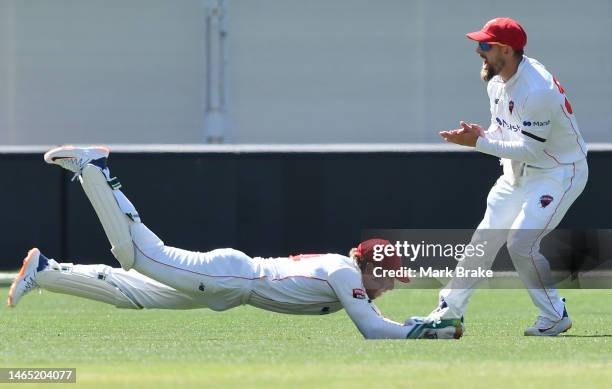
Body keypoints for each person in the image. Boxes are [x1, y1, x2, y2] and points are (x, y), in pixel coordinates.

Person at [7, 145, 462, 340]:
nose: (393, 285)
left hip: (232, 283)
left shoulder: (348, 274)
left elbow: (381, 319)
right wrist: (429, 334)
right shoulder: (346, 273)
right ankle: (93, 168)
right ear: (371, 268)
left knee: (133, 294)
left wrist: (427, 325)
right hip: (231, 276)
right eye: (392, 277)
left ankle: (46, 270)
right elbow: (372, 329)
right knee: (137, 254)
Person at [435, 17, 588, 336]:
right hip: (515, 172)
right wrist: (483, 133)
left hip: (559, 171)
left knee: (520, 242)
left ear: (506, 49)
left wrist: (477, 142)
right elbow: (505, 131)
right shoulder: (495, 80)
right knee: (485, 238)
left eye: (485, 45)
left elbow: (532, 150)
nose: (479, 50)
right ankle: (449, 311)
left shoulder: (538, 88)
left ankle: (555, 314)